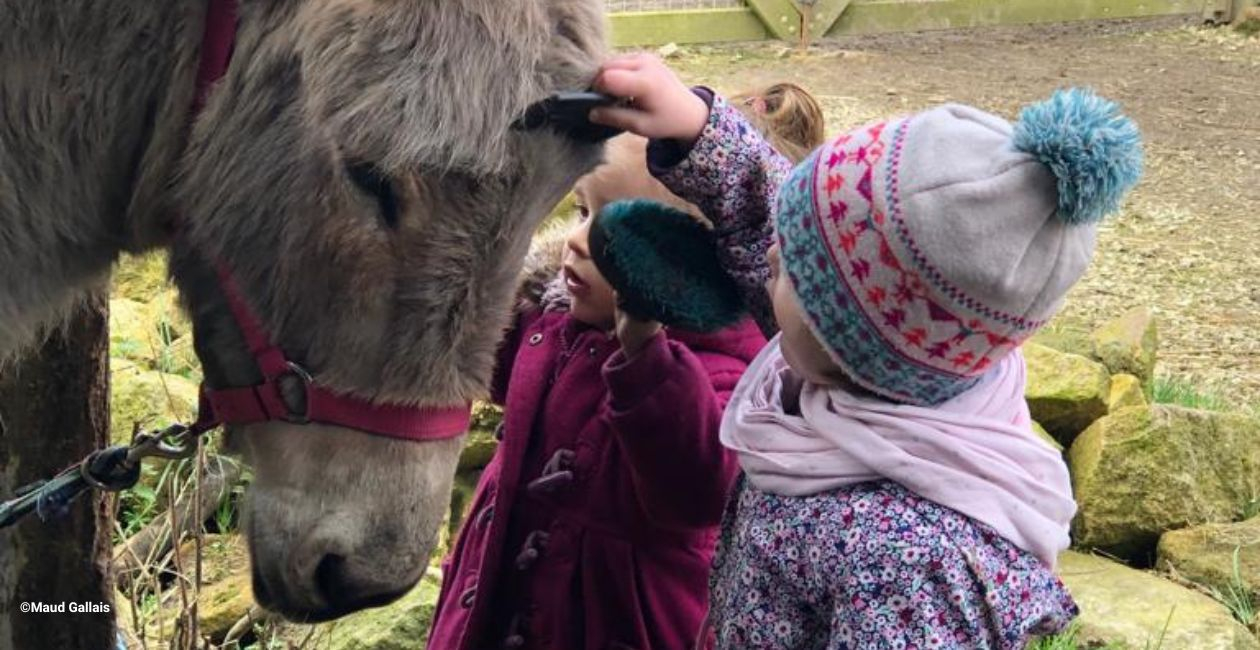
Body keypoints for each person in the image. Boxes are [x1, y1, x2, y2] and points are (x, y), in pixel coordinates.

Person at [590, 53, 1143, 648]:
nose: (771, 256)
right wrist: (697, 126)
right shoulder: (884, 364)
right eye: (786, 239)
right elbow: (783, 233)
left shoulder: (908, 566)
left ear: (855, 338)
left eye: (797, 268)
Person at [424, 129, 767, 650]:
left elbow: (697, 495)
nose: (578, 241)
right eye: (584, 212)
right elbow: (469, 358)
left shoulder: (722, 367)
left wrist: (647, 360)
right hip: (495, 594)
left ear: (692, 263)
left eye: (616, 232)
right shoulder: (548, 320)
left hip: (613, 621)